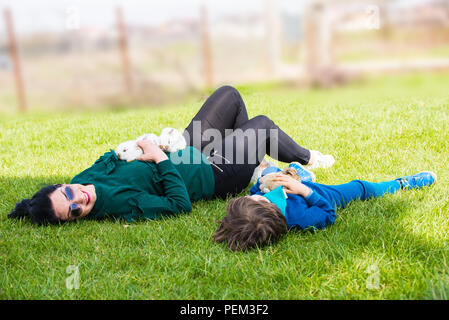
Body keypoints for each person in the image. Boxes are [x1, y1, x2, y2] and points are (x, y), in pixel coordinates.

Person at [8, 85, 334, 225]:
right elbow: (180, 205)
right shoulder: (121, 206)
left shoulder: (82, 180)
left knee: (229, 96)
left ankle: (256, 166)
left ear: (62, 184)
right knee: (261, 127)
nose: (79, 199)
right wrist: (159, 159)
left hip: (187, 148)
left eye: (68, 194)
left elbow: (115, 157)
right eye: (74, 212)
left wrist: (145, 145)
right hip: (210, 171)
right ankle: (304, 159)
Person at [212, 166, 437, 251]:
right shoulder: (300, 217)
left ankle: (298, 172)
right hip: (322, 193)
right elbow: (328, 213)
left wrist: (264, 181)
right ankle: (404, 182)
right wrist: (303, 190)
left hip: (294, 183)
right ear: (270, 210)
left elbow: (255, 191)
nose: (254, 195)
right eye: (259, 198)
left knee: (269, 169)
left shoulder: (257, 203)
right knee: (361, 187)